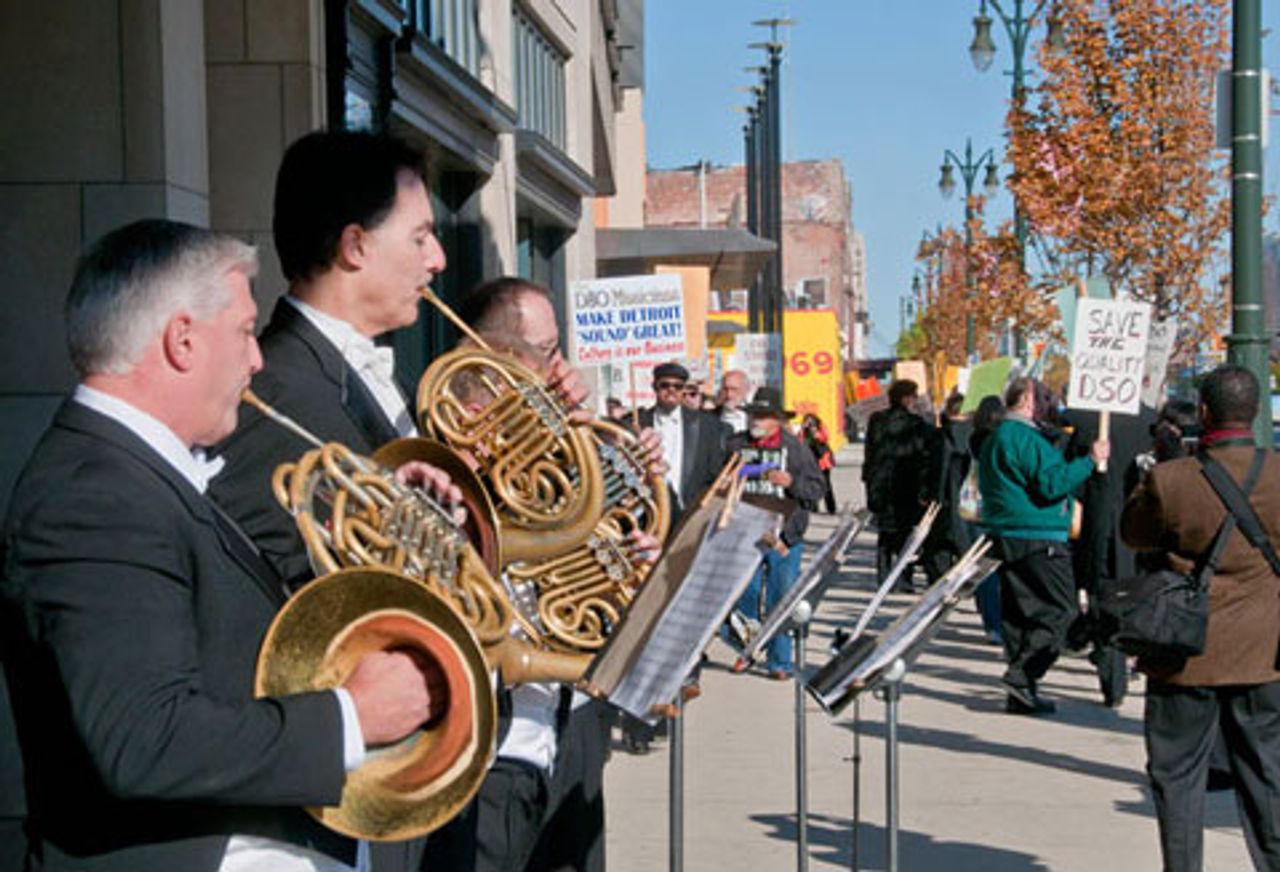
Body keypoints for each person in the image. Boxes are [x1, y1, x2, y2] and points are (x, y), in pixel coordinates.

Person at [0, 220, 445, 872]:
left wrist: (385, 526)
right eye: (244, 331)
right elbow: (144, 738)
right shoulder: (94, 494)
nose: (257, 359)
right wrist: (352, 716)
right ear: (182, 340)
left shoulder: (137, 474)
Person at [448, 275, 663, 872]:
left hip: (571, 727)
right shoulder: (452, 455)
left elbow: (599, 549)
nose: (562, 371)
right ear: (497, 361)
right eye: (547, 353)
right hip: (497, 752)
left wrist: (627, 552)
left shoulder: (562, 450)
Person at [211, 130, 449, 586]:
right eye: (420, 238)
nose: (437, 259)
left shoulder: (382, 376)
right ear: (355, 246)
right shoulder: (270, 394)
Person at [1121, 365, 1280, 871]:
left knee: (1177, 777)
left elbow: (1134, 535)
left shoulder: (1171, 479)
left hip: (1184, 650)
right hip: (1263, 651)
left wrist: (1163, 466)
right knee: (1267, 776)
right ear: (1255, 412)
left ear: (1205, 412)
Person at [978, 377, 1108, 714]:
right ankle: (1022, 676)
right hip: (1038, 534)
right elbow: (1051, 484)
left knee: (1020, 615)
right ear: (1026, 401)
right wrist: (1089, 461)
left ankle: (1021, 691)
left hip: (1007, 533)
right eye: (1043, 398)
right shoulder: (1024, 438)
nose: (1049, 405)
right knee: (1061, 612)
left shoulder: (997, 437)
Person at [726, 387, 826, 679]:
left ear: (778, 420)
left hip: (784, 537)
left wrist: (791, 482)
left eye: (764, 415)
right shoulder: (735, 445)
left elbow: (817, 489)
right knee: (745, 594)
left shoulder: (796, 449)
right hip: (745, 535)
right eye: (754, 414)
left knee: (781, 598)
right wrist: (727, 481)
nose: (757, 421)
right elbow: (716, 481)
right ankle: (747, 650)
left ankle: (780, 661)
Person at [1064, 402, 1157, 708]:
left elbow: (1072, 479)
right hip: (1137, 526)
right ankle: (1120, 663)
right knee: (1129, 599)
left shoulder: (1085, 422)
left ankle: (1112, 673)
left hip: (1099, 523)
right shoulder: (1150, 422)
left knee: (1104, 598)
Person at [862, 379, 934, 590]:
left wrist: (869, 482)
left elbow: (870, 454)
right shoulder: (916, 424)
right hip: (907, 484)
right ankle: (904, 577)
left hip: (881, 485)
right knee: (906, 533)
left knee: (885, 533)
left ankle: (884, 575)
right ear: (906, 398)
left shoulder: (876, 420)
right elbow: (922, 457)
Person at [638, 361, 728, 522]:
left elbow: (715, 473)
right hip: (649, 513)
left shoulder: (707, 424)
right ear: (654, 387)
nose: (671, 390)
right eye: (665, 385)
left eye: (678, 386)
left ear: (684, 389)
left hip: (691, 515)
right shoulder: (637, 423)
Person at [921, 393, 974, 585]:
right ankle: (966, 580)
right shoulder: (975, 434)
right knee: (965, 542)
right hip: (970, 498)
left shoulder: (942, 435)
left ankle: (940, 581)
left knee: (939, 544)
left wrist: (931, 494)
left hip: (945, 496)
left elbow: (938, 468)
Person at [968, 395, 1006, 644]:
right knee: (1001, 568)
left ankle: (990, 621)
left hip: (977, 506)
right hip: (998, 506)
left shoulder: (974, 438)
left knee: (984, 566)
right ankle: (999, 621)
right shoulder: (999, 439)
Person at [801, 412, 838, 513]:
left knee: (826, 484)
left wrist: (816, 434)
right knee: (812, 483)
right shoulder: (803, 431)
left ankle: (831, 508)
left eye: (812, 422)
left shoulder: (821, 427)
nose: (810, 425)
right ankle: (814, 507)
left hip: (823, 461)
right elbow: (800, 442)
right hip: (810, 461)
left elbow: (825, 438)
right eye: (808, 422)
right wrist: (803, 429)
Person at [717, 369, 752, 437]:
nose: (729, 394)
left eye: (734, 389)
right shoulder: (712, 415)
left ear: (746, 389)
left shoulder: (753, 416)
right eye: (725, 389)